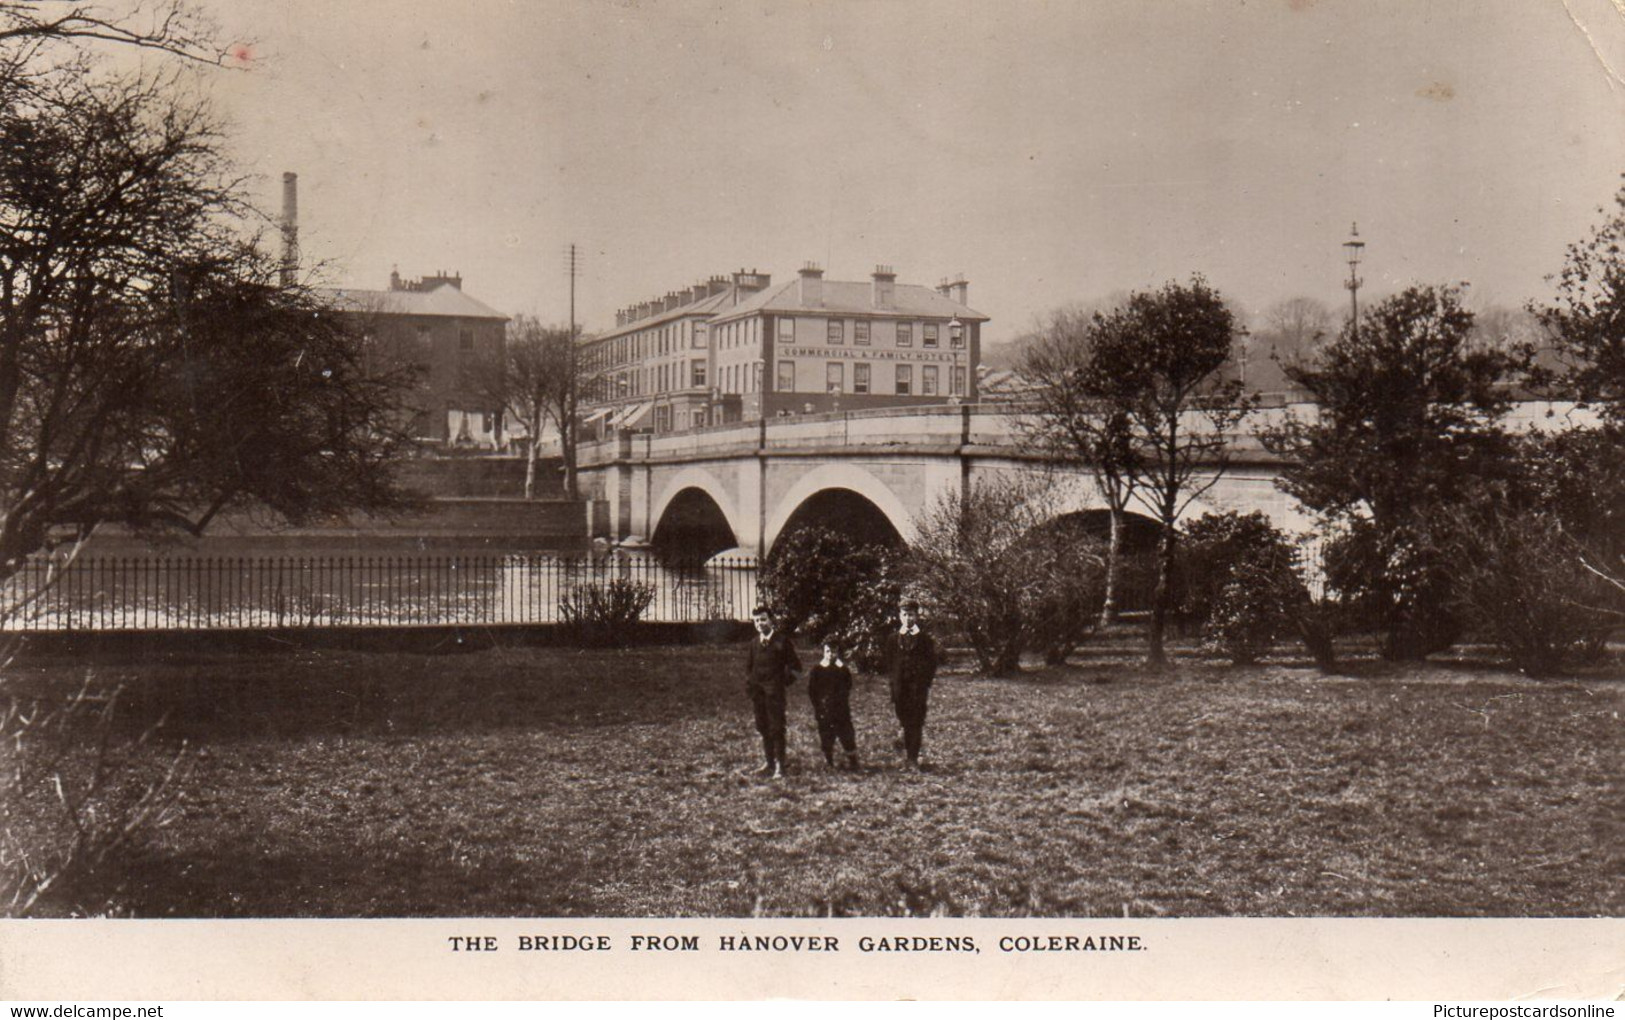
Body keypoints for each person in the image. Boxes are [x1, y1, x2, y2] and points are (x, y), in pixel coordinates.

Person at [743, 606, 800, 778]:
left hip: (775, 695)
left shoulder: (782, 641)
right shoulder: (754, 644)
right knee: (763, 727)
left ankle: (780, 767)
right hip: (759, 694)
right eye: (757, 620)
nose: (760, 623)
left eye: (763, 619)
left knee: (776, 728)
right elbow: (749, 668)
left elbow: (796, 668)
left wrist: (780, 683)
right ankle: (769, 763)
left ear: (771, 620)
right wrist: (751, 686)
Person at [885, 599, 939, 769]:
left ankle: (912, 759)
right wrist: (894, 683)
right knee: (904, 719)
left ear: (917, 616)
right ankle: (907, 750)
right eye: (905, 614)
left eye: (912, 615)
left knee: (915, 721)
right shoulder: (893, 639)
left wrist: (925, 682)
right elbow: (889, 663)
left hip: (917, 688)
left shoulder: (924, 640)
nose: (908, 618)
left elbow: (932, 663)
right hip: (901, 688)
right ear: (900, 616)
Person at [806, 637, 858, 770]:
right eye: (828, 651)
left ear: (838, 653)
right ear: (824, 652)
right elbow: (812, 691)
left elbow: (848, 686)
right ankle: (829, 761)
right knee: (826, 735)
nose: (831, 655)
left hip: (841, 708)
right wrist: (819, 706)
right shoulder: (817, 670)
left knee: (847, 734)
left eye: (834, 652)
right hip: (824, 708)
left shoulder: (843, 670)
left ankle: (853, 760)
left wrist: (841, 699)